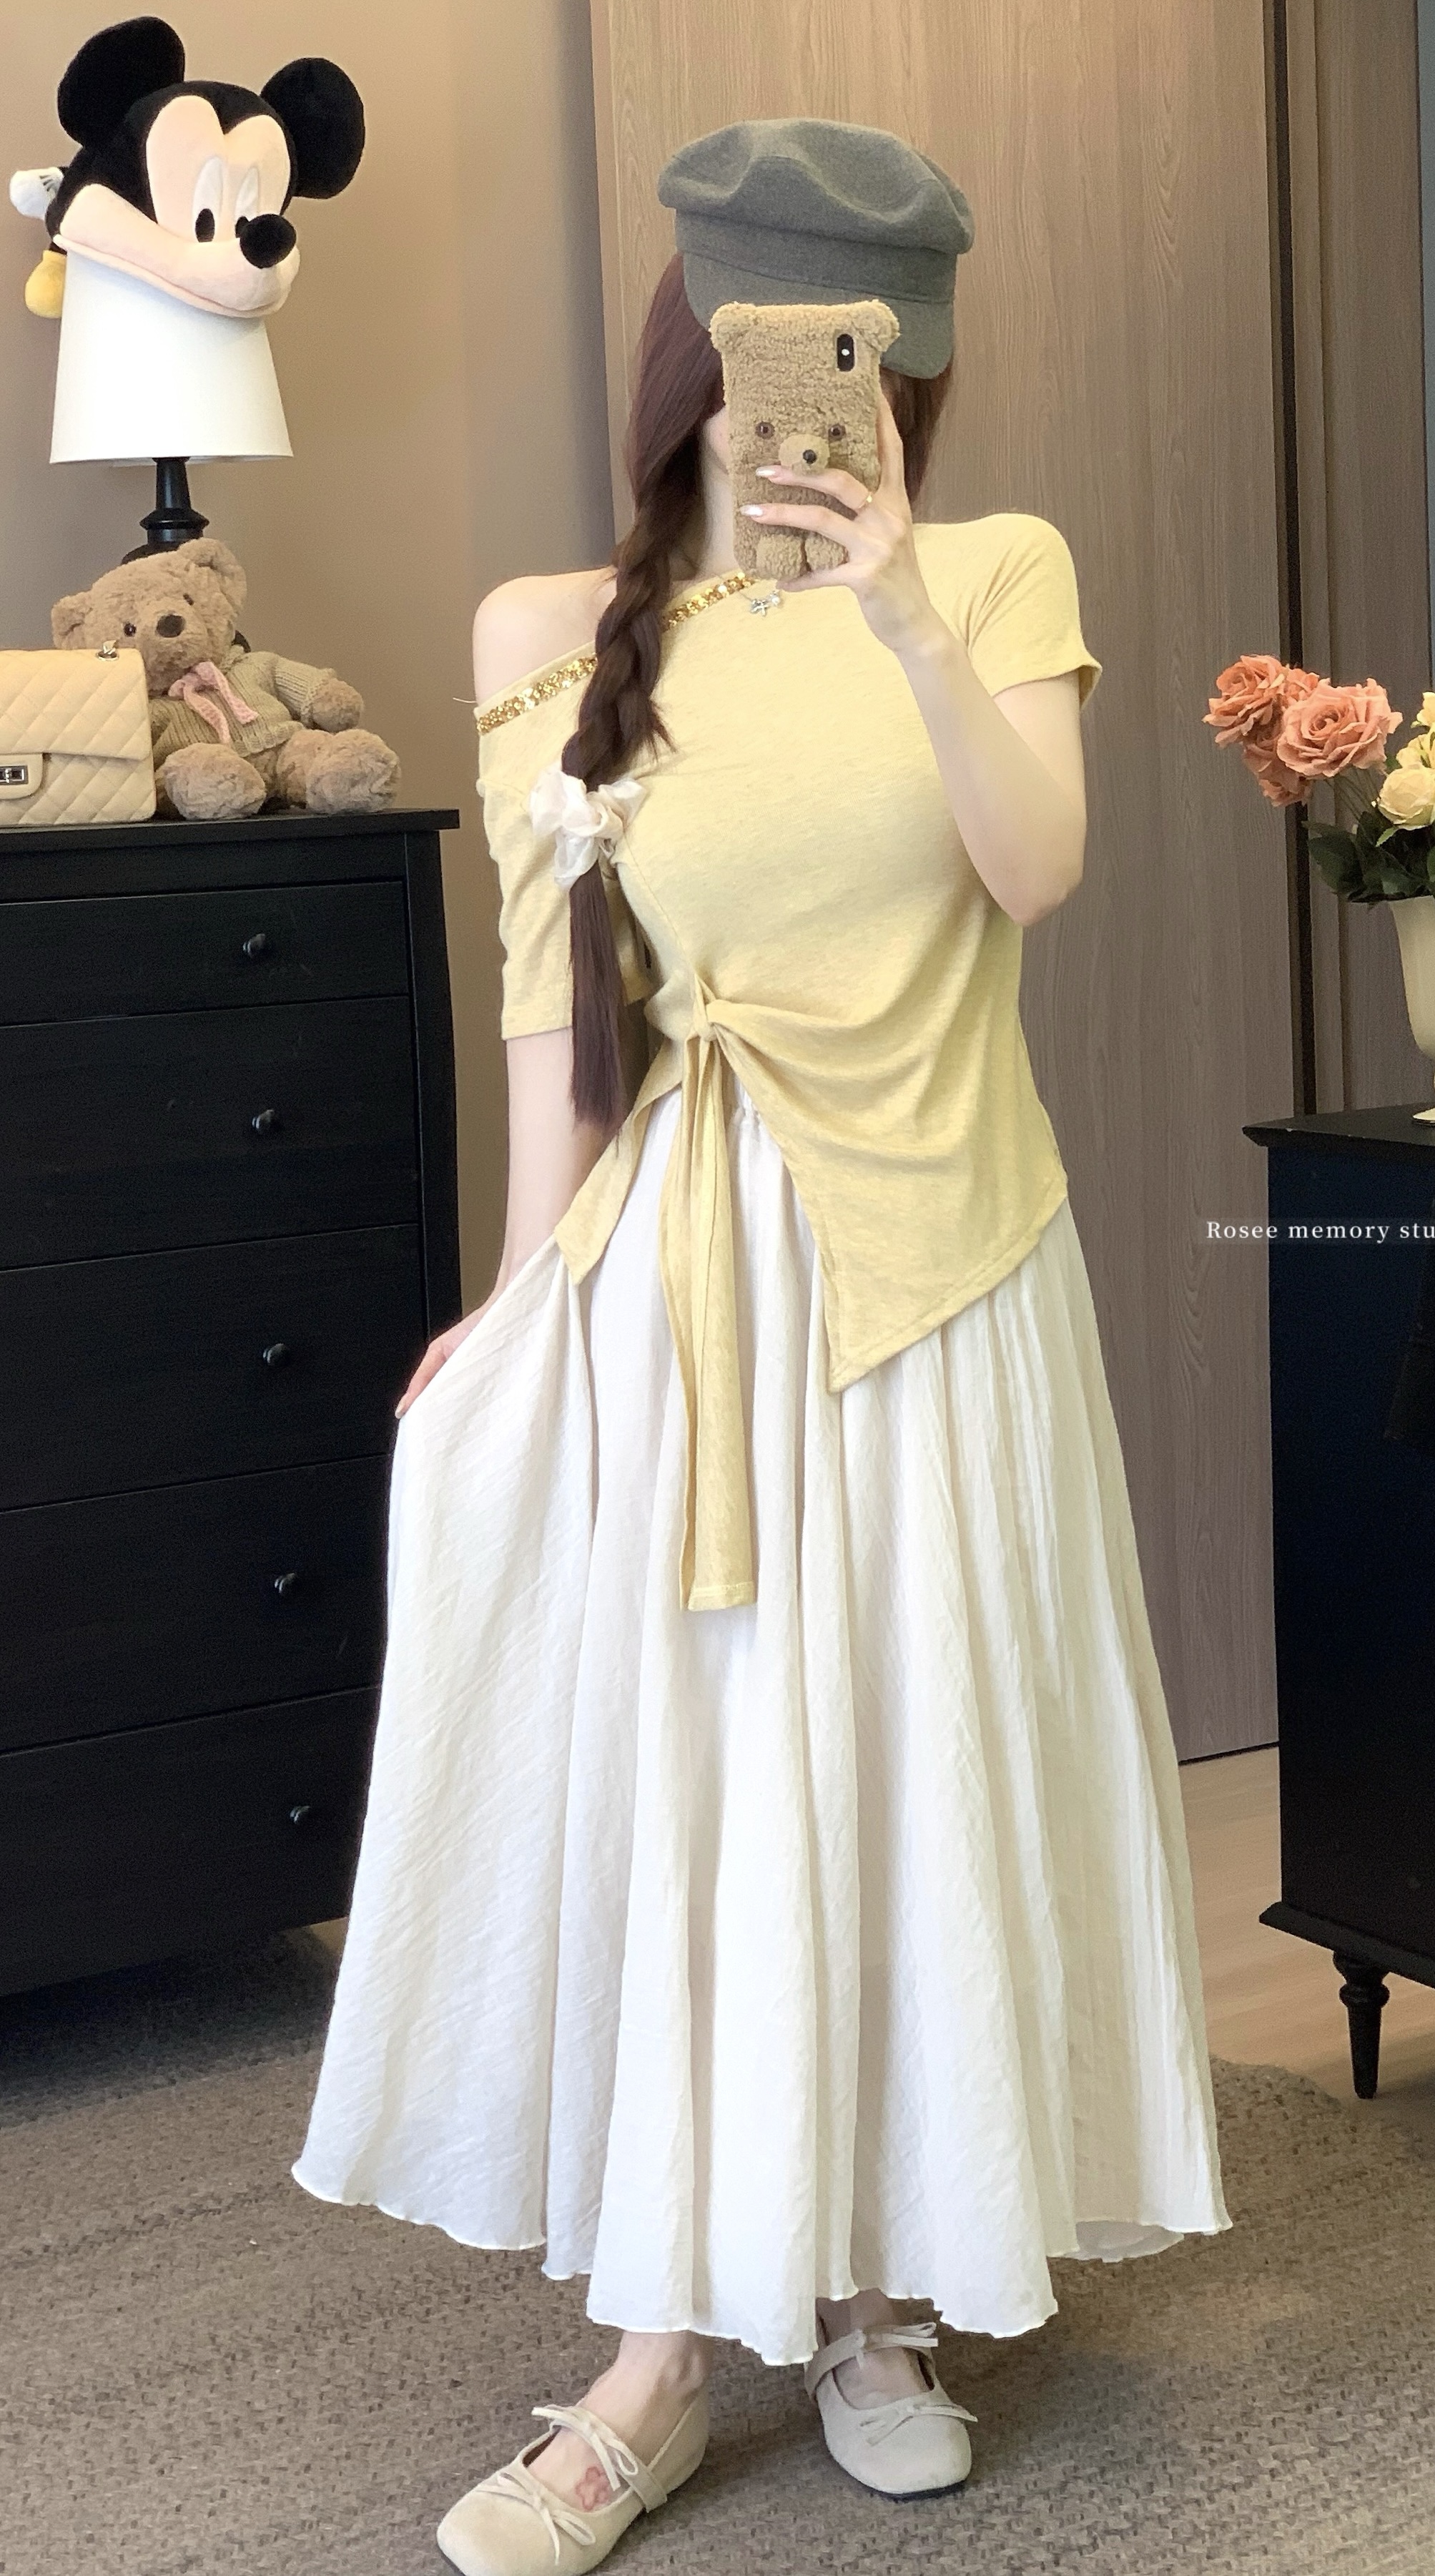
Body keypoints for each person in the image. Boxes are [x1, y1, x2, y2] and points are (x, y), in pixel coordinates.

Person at [293, 117, 1226, 2576]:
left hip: (946, 1275)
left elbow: (1038, 865)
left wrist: (905, 608)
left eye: (879, 360)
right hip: (686, 1285)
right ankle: (655, 2360)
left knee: (911, 1769)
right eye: (787, 341)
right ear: (692, 343)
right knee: (696, 1787)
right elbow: (560, 1023)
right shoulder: (545, 629)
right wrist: (513, 1308)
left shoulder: (996, 571)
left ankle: (882, 2302)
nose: (829, 401)